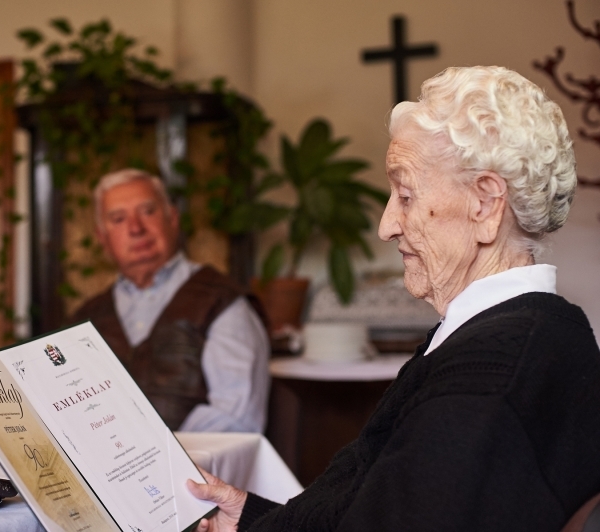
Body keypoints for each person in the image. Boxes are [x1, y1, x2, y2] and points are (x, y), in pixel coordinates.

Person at [188, 66, 600, 531]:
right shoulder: (537, 334)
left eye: (405, 195)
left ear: (485, 203)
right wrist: (251, 520)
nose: (386, 225)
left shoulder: (489, 379)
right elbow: (369, 510)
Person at [70, 169, 270, 432]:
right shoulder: (83, 320)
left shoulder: (222, 302)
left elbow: (237, 421)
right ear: (102, 238)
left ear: (172, 218)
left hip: (195, 468)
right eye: (118, 219)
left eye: (148, 211)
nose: (135, 228)